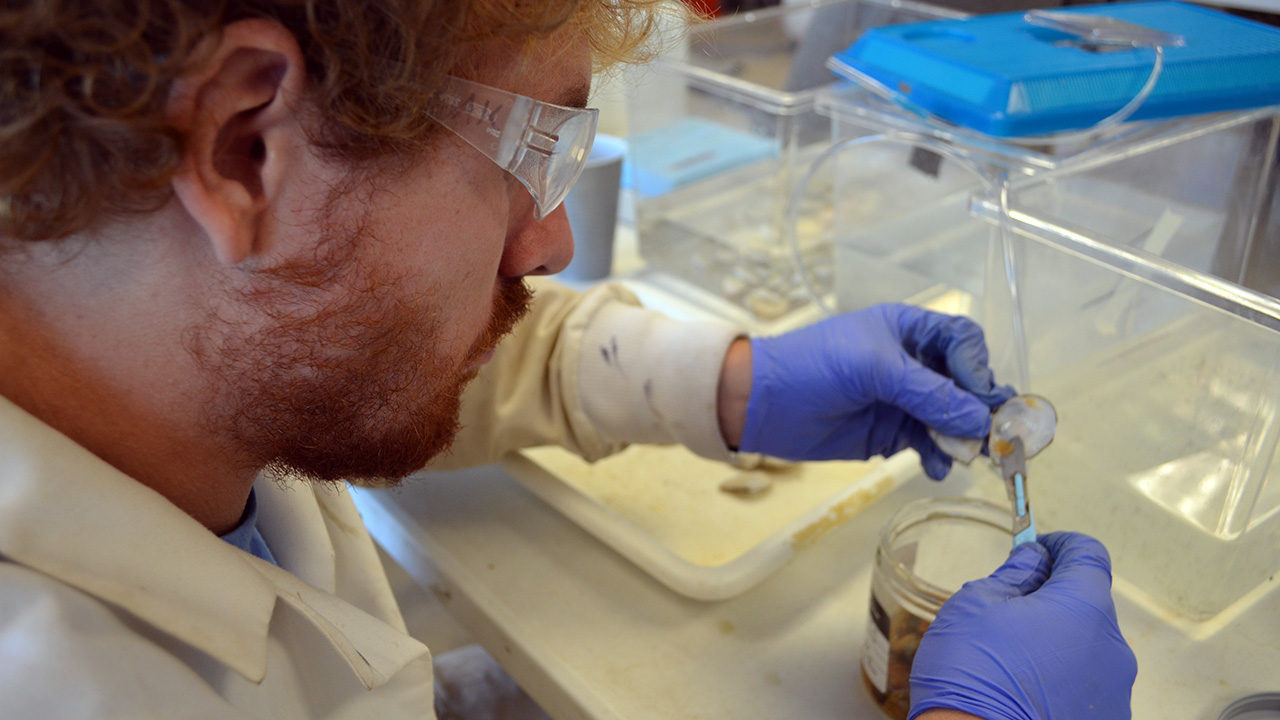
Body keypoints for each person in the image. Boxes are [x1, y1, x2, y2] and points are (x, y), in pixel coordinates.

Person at [0, 1, 1135, 718]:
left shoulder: (148, 351)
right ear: (247, 148)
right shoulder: (61, 682)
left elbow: (356, 321)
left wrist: (734, 382)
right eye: (536, 147)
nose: (554, 240)